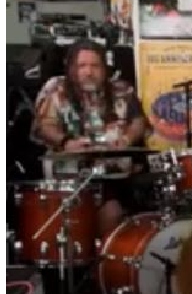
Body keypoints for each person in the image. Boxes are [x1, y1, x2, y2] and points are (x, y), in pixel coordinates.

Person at [32, 39, 147, 236]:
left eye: (95, 66)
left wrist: (126, 139)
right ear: (71, 68)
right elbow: (45, 126)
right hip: (69, 178)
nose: (88, 72)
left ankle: (108, 261)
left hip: (113, 176)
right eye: (82, 66)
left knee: (114, 213)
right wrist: (66, 142)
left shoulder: (122, 90)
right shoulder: (55, 89)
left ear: (105, 68)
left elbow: (138, 122)